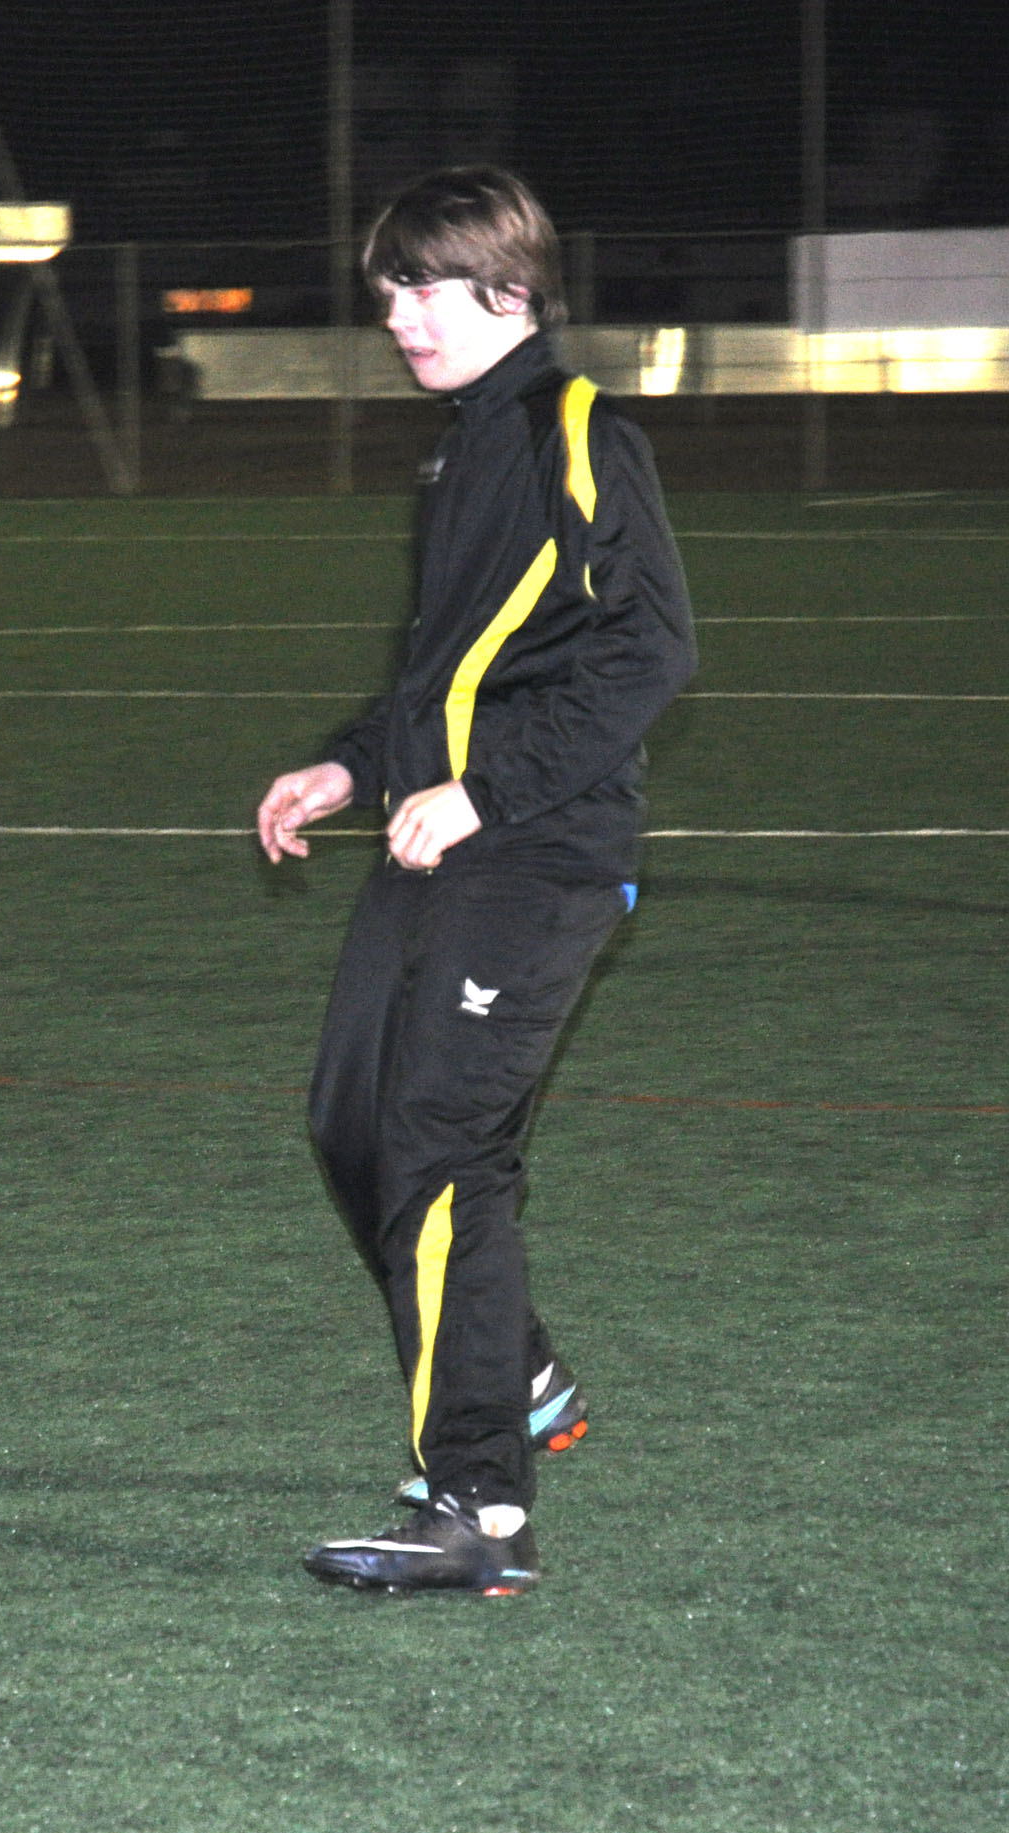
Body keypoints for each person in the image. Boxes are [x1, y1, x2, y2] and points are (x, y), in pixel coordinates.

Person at [254, 167, 696, 1596]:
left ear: (511, 288)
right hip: (433, 835)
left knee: (439, 1143)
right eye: (387, 291)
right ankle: (518, 1370)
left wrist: (484, 791)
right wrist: (349, 763)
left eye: (424, 287)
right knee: (350, 1122)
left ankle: (477, 1508)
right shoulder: (458, 454)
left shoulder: (581, 431)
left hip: (538, 851)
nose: (398, 316)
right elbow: (445, 672)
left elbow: (649, 651)